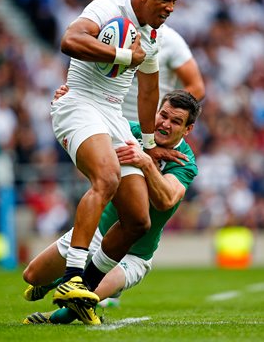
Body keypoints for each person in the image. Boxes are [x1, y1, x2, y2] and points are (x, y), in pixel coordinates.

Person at [48, 0, 184, 323]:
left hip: (114, 118)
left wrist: (151, 143)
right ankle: (70, 278)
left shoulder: (152, 34)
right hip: (80, 102)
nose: (170, 7)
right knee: (106, 179)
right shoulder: (107, 9)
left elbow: (149, 88)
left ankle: (83, 292)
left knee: (138, 220)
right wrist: (127, 56)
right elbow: (70, 41)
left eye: (175, 1)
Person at [23, 90, 201, 325]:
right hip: (98, 233)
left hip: (136, 255)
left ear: (187, 129)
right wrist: (73, 99)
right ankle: (53, 281)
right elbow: (90, 122)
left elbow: (166, 200)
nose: (165, 124)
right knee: (31, 276)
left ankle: (52, 319)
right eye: (163, 115)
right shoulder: (131, 131)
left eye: (176, 121)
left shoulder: (185, 161)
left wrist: (145, 162)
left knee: (86, 298)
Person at [122, 22, 205, 121]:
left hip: (146, 127)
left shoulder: (171, 39)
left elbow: (197, 88)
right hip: (110, 118)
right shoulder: (120, 26)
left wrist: (165, 114)